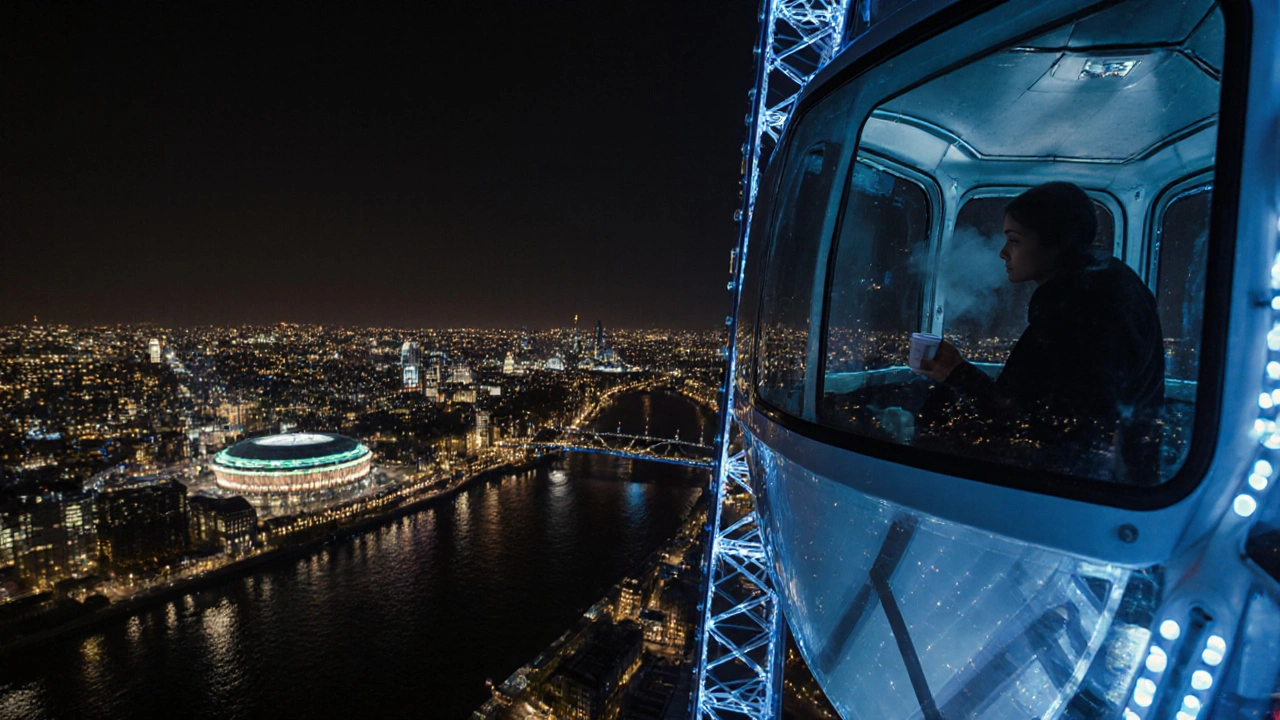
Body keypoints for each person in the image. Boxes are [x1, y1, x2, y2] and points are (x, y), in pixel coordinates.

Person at [918, 182, 1165, 485]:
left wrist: (956, 373)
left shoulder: (1077, 310)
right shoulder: (1111, 284)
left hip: (1082, 482)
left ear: (1057, 242)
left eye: (1015, 241)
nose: (1003, 253)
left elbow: (1030, 419)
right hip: (1120, 474)